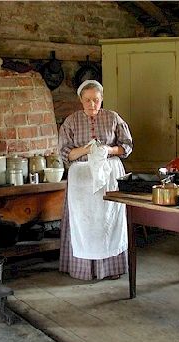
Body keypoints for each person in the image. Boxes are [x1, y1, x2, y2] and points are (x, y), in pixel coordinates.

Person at [58, 80, 133, 280]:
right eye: (88, 100)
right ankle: (84, 269)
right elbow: (66, 154)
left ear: (102, 99)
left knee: (107, 220)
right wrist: (86, 149)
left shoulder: (113, 118)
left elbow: (126, 147)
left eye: (96, 100)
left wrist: (108, 149)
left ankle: (110, 268)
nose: (92, 104)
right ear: (81, 100)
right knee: (84, 221)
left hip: (109, 174)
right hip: (82, 179)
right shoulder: (71, 121)